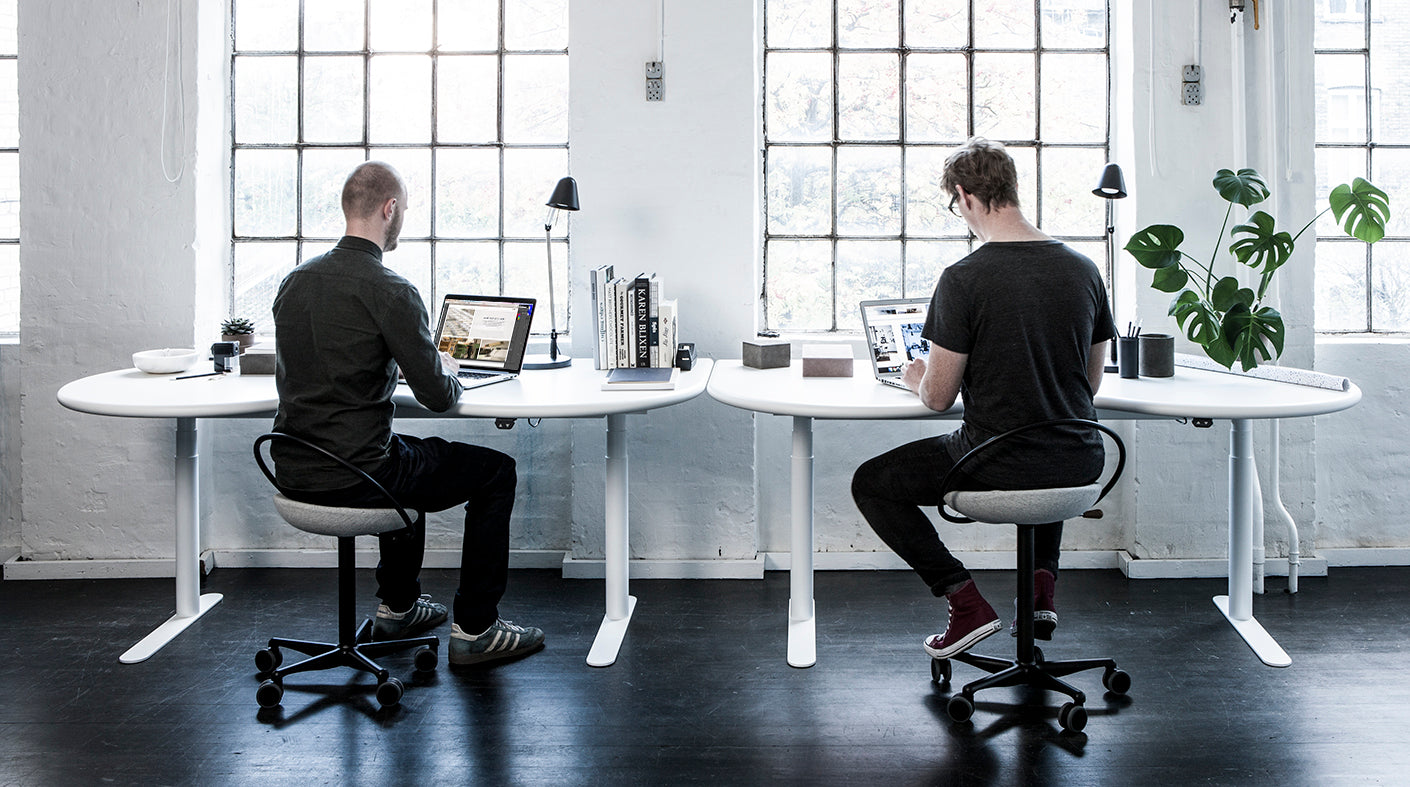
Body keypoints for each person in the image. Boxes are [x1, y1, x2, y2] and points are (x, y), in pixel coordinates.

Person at [270, 161, 544, 667]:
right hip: (359, 474)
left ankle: (398, 607)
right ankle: (477, 630)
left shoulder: (294, 283)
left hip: (293, 470)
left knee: (410, 455)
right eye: (405, 210)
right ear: (388, 209)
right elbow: (439, 396)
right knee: (494, 473)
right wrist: (444, 366)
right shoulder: (390, 290)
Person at [850, 137, 1114, 661]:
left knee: (871, 483)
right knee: (1046, 435)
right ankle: (1039, 595)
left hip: (995, 464)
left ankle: (964, 602)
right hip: (1081, 461)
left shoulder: (963, 278)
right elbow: (1091, 382)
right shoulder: (1084, 269)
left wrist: (913, 376)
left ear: (965, 196)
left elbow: (937, 397)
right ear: (1011, 189)